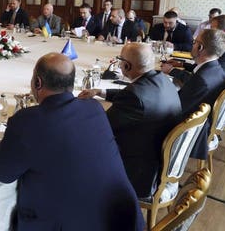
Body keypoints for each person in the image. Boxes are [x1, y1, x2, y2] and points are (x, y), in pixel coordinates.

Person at [0, 53, 144, 230]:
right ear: (71, 83)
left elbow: (3, 174)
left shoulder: (27, 121)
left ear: (37, 83)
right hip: (122, 220)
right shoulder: (94, 108)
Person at [78, 43, 182, 198]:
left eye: (120, 60)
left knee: (81, 147)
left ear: (126, 66)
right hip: (156, 157)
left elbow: (103, 129)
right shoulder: (162, 79)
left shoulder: (134, 96)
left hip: (138, 173)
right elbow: (137, 96)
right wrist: (100, 91)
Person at [163, 29, 225, 160]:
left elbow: (176, 110)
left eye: (194, 42)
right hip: (202, 121)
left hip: (191, 131)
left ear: (200, 47)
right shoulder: (215, 68)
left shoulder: (202, 79)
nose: (192, 45)